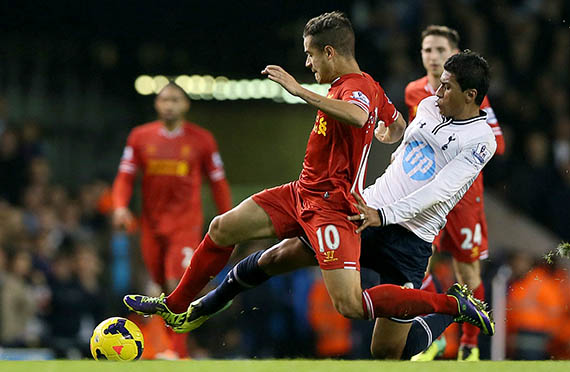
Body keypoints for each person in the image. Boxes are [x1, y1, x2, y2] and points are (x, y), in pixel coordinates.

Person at [140, 50, 497, 360]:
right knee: (278, 256)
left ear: (470, 95)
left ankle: (452, 308)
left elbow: (440, 189)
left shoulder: (481, 140)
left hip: (410, 236)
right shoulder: (430, 106)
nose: (438, 90)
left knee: (388, 352)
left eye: (447, 86)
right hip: (362, 213)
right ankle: (206, 304)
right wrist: (385, 154)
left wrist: (385, 213)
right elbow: (402, 139)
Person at [124, 10, 408, 334]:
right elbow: (396, 121)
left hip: (332, 207)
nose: (307, 64)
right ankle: (174, 305)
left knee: (349, 305)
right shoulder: (365, 86)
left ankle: (449, 306)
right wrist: (391, 131)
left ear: (329, 52)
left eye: (310, 55)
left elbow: (357, 116)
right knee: (222, 228)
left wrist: (299, 91)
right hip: (300, 192)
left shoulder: (356, 86)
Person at [405, 25, 505, 361]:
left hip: (463, 197)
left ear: (454, 55)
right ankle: (433, 336)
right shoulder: (413, 92)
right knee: (417, 266)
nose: (432, 57)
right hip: (427, 194)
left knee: (467, 272)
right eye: (427, 50)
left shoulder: (472, 94)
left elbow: (497, 144)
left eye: (440, 50)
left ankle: (469, 345)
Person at [111, 82, 232, 358]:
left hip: (184, 225)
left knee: (175, 281)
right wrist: (119, 206)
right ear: (156, 104)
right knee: (156, 290)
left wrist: (227, 218)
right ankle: (163, 347)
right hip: (151, 227)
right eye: (165, 100)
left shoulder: (202, 140)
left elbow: (218, 182)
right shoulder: (140, 137)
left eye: (176, 100)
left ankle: (176, 352)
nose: (170, 105)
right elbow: (125, 176)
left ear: (186, 105)